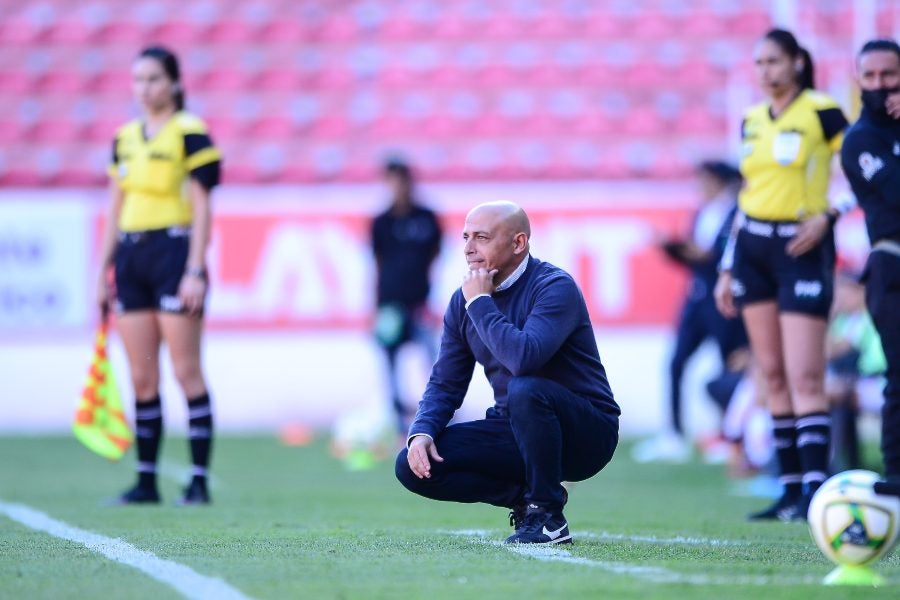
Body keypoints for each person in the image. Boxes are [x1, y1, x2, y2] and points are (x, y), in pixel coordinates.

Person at [394, 201, 619, 545]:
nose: (469, 248)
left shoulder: (553, 286)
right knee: (412, 467)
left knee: (526, 388)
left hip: (586, 434)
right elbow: (446, 382)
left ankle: (547, 515)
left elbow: (524, 358)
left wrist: (480, 303)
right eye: (466, 237)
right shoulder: (464, 301)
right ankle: (528, 499)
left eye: (482, 237)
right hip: (517, 426)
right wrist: (421, 431)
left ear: (518, 243)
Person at [714, 29, 849, 521]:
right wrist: (728, 265)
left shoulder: (821, 110)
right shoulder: (751, 120)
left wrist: (832, 214)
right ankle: (790, 489)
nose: (766, 71)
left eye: (774, 61)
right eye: (759, 62)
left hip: (801, 247)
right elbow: (748, 194)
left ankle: (816, 488)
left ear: (796, 62)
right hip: (752, 248)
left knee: (805, 373)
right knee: (770, 374)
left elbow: (862, 164)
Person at [96, 46, 222, 505]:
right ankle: (146, 481)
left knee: (186, 371)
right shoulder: (124, 137)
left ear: (173, 82)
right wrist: (104, 269)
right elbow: (115, 206)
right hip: (131, 257)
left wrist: (194, 268)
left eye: (152, 79)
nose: (144, 88)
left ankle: (197, 480)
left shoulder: (190, 132)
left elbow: (203, 205)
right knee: (142, 376)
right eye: (137, 80)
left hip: (173, 253)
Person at [633, 161, 748, 463]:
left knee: (728, 367)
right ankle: (674, 433)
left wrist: (687, 250)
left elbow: (720, 257)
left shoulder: (738, 212)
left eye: (705, 181)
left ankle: (729, 436)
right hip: (696, 300)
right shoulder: (702, 213)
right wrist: (670, 248)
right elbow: (695, 259)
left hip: (724, 300)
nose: (700, 187)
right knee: (676, 362)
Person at [838, 38, 900, 497]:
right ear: (859, 80)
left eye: (889, 75)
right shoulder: (861, 139)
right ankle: (897, 474)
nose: (879, 84)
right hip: (892, 265)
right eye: (871, 76)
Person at [370, 158, 442, 434]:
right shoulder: (381, 222)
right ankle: (399, 424)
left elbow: (435, 254)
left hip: (419, 303)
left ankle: (436, 418)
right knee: (390, 366)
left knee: (435, 363)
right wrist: (376, 306)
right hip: (389, 305)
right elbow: (377, 262)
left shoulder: (426, 218)